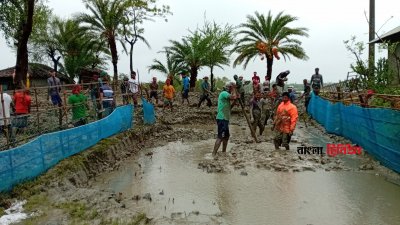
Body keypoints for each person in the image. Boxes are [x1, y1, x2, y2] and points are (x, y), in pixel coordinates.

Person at [212, 82, 238, 156]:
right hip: (222, 118)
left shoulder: (226, 98)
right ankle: (213, 154)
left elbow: (229, 108)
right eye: (231, 88)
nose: (231, 89)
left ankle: (224, 152)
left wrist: (235, 101)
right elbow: (233, 97)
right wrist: (234, 90)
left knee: (226, 136)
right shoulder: (224, 93)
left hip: (225, 119)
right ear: (229, 88)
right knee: (220, 136)